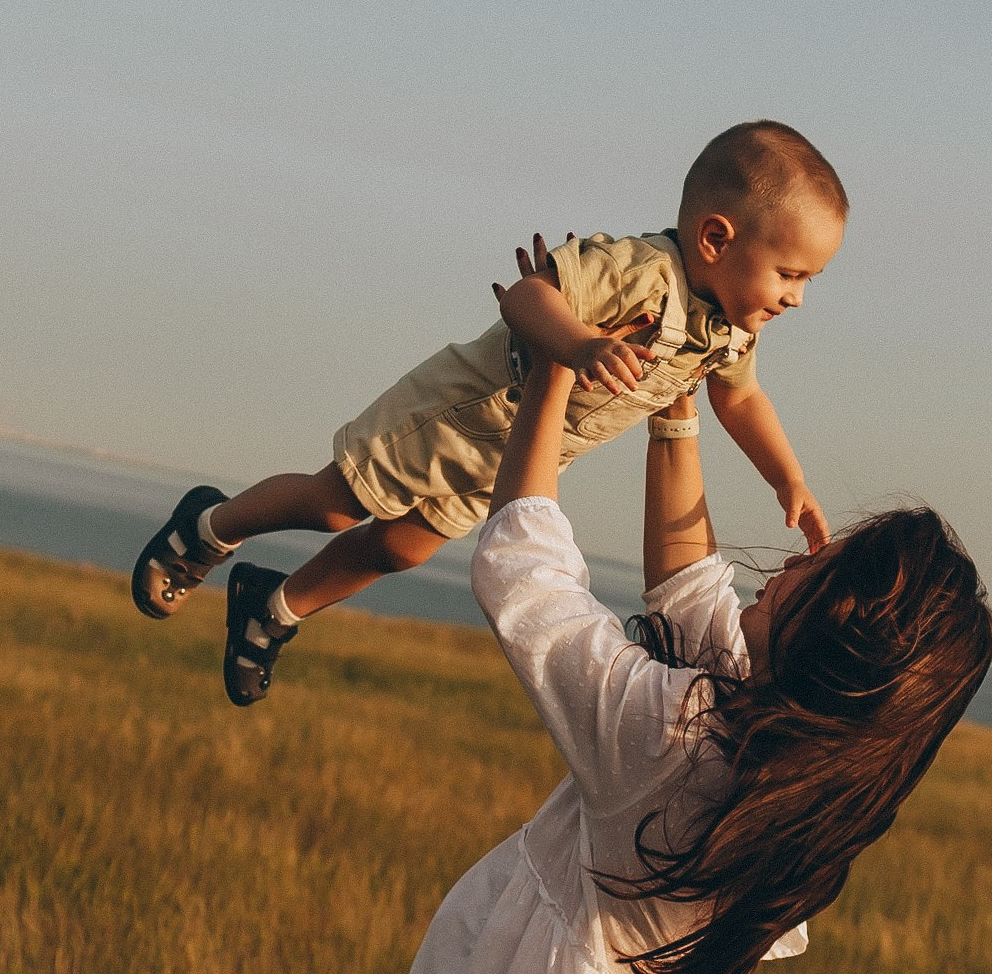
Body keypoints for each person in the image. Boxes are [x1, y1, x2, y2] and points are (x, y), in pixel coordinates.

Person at [335, 239, 992, 974]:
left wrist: (553, 373)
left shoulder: (678, 741)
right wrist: (675, 411)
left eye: (820, 566)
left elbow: (524, 575)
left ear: (827, 631)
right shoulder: (794, 761)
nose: (794, 558)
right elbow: (687, 589)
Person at [129, 120, 848, 705]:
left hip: (511, 461)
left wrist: (788, 480)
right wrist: (582, 345)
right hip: (462, 411)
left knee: (401, 549)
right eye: (790, 274)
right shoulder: (639, 271)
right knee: (336, 505)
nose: (797, 298)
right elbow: (528, 296)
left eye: (808, 280)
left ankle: (273, 606)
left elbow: (741, 397)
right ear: (717, 239)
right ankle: (207, 528)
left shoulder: (726, 331)